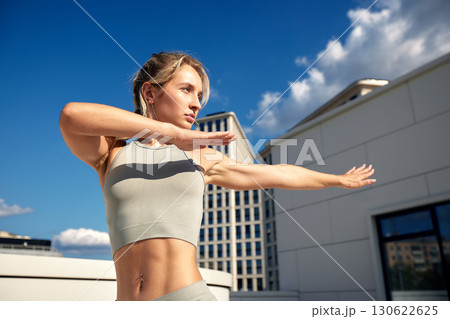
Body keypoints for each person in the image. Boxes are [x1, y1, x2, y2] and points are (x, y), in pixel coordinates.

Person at [59, 51, 376, 301]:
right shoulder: (111, 154)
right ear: (150, 93)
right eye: (186, 90)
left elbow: (279, 173)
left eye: (199, 95)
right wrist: (170, 133)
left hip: (187, 301)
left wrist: (335, 179)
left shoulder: (202, 157)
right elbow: (72, 115)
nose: (196, 103)